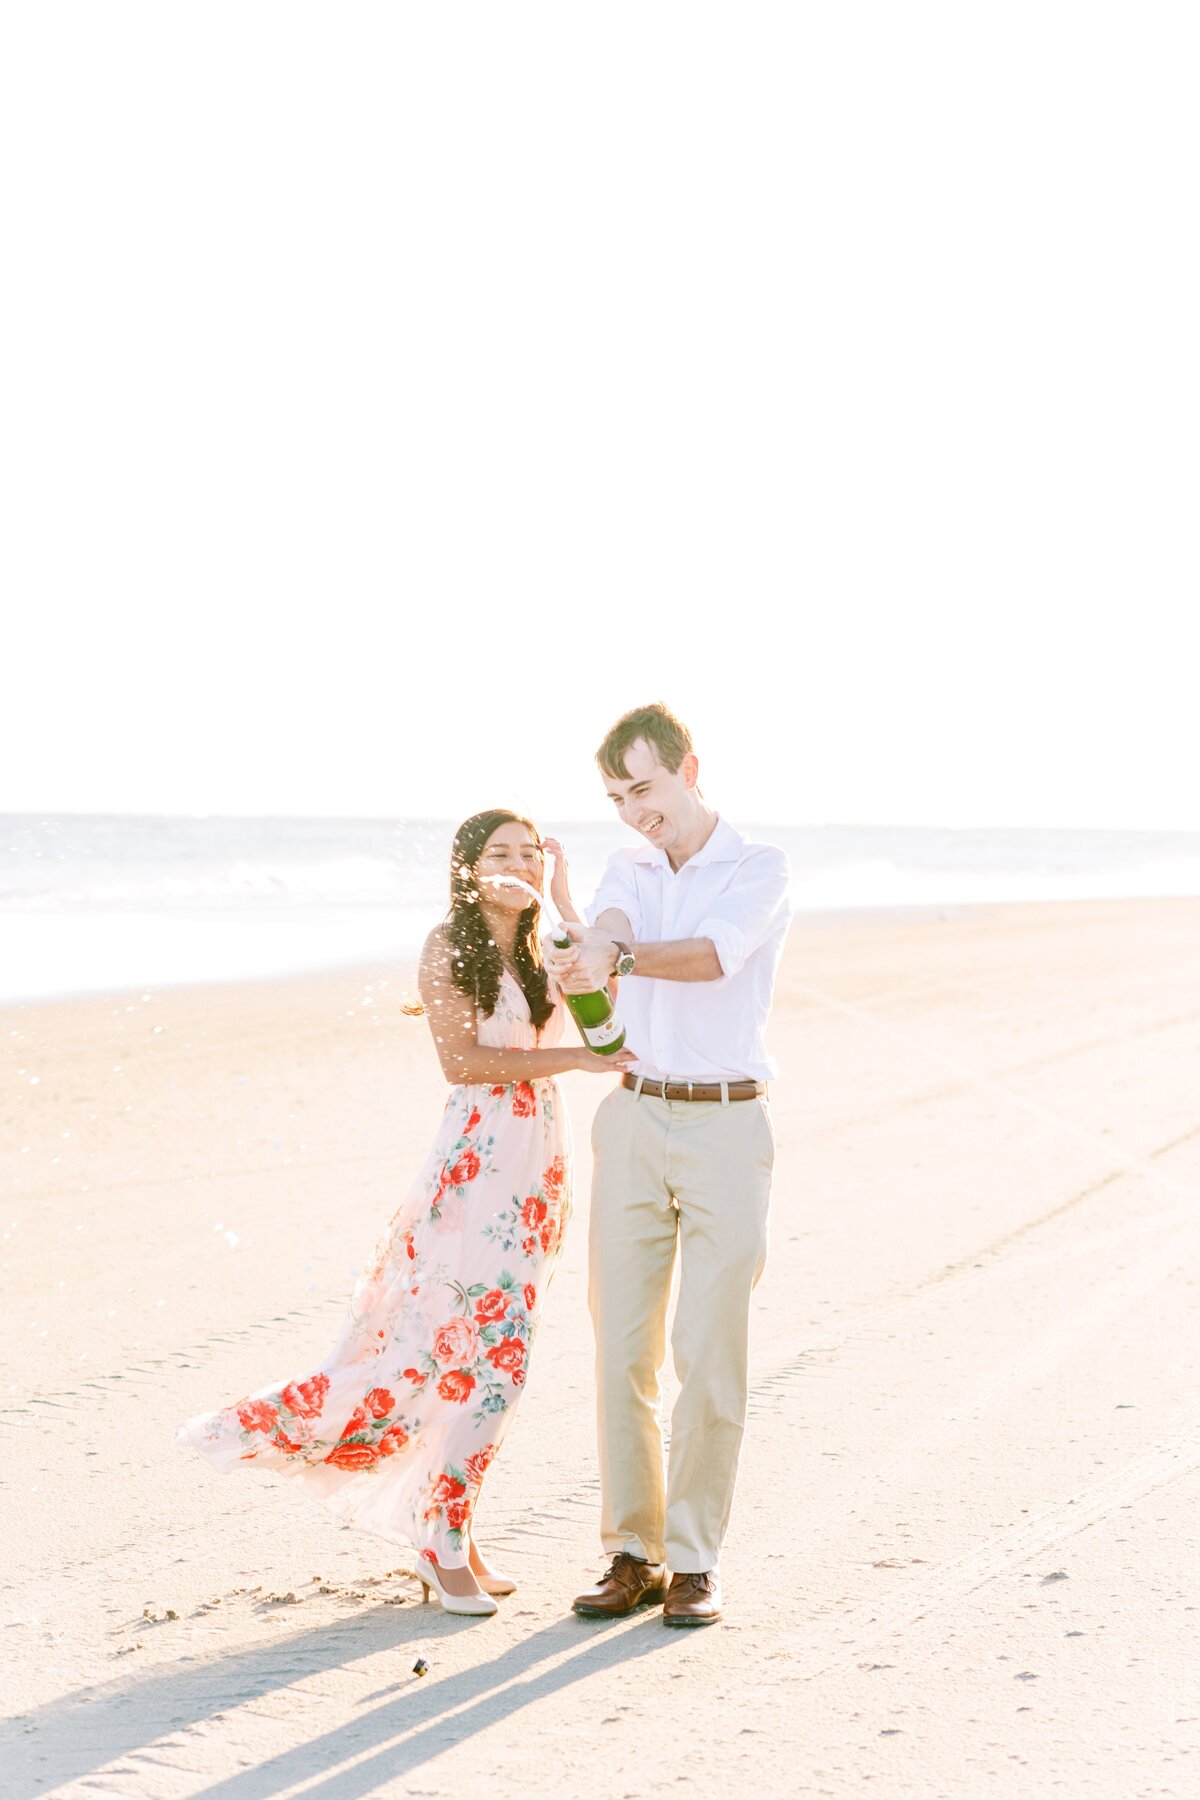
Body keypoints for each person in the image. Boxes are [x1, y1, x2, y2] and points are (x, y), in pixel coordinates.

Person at [177, 809, 634, 1617]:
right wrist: (577, 1060)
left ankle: (445, 1520)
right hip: (477, 1165)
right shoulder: (446, 945)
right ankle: (436, 1532)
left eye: (532, 854)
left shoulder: (541, 951)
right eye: (501, 853)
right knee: (475, 1357)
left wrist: (563, 896)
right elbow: (461, 1061)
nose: (518, 865)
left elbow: (598, 982)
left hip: (534, 1167)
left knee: (500, 1357)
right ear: (466, 867)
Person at [546, 704, 791, 1627]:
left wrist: (617, 954)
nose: (633, 812)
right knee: (623, 1349)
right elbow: (607, 917)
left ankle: (694, 1559)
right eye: (615, 797)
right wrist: (592, 942)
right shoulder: (630, 869)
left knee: (709, 1348)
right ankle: (631, 1552)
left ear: (689, 766)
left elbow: (713, 959)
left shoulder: (758, 867)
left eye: (643, 789)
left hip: (729, 1125)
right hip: (635, 1120)